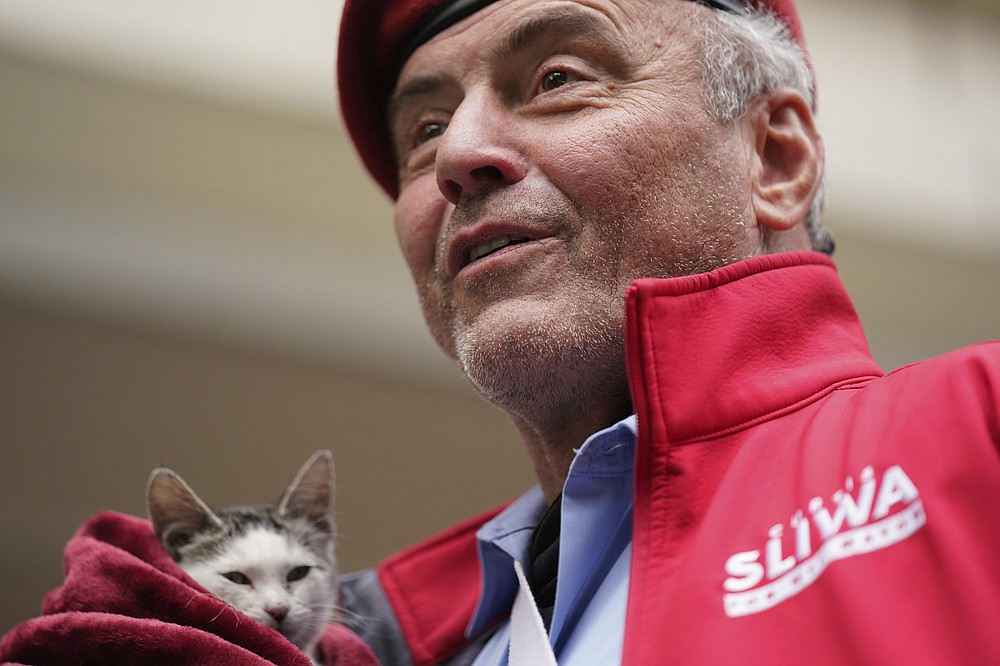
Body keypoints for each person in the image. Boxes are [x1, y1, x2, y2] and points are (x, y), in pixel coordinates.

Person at [1, 0, 998, 664]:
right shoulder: (354, 640)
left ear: (773, 157)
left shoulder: (976, 435)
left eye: (558, 76)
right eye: (424, 128)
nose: (460, 156)